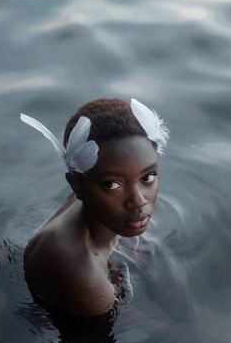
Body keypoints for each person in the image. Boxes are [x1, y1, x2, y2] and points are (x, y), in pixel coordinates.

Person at [21, 97, 169, 317]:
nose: (138, 200)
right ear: (76, 185)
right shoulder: (80, 273)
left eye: (148, 177)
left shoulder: (89, 195)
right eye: (112, 184)